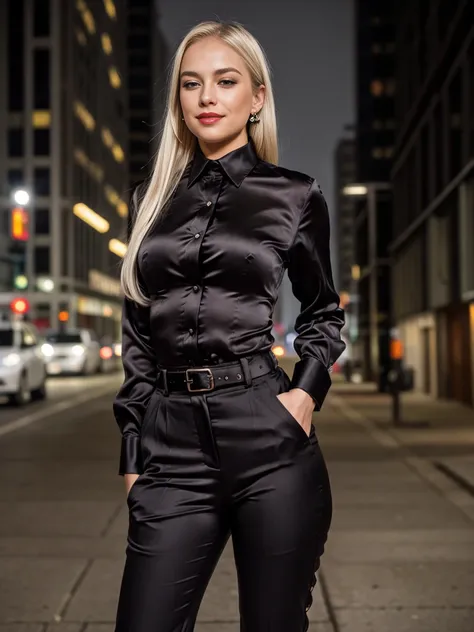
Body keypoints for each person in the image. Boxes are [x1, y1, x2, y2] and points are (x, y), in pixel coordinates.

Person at [113, 20, 345, 632]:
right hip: (170, 448)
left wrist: (304, 393)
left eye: (225, 81)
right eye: (192, 84)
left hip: (268, 437)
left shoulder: (293, 195)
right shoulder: (150, 201)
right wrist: (134, 452)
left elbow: (324, 310)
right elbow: (138, 334)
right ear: (179, 101)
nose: (207, 97)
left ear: (256, 97)